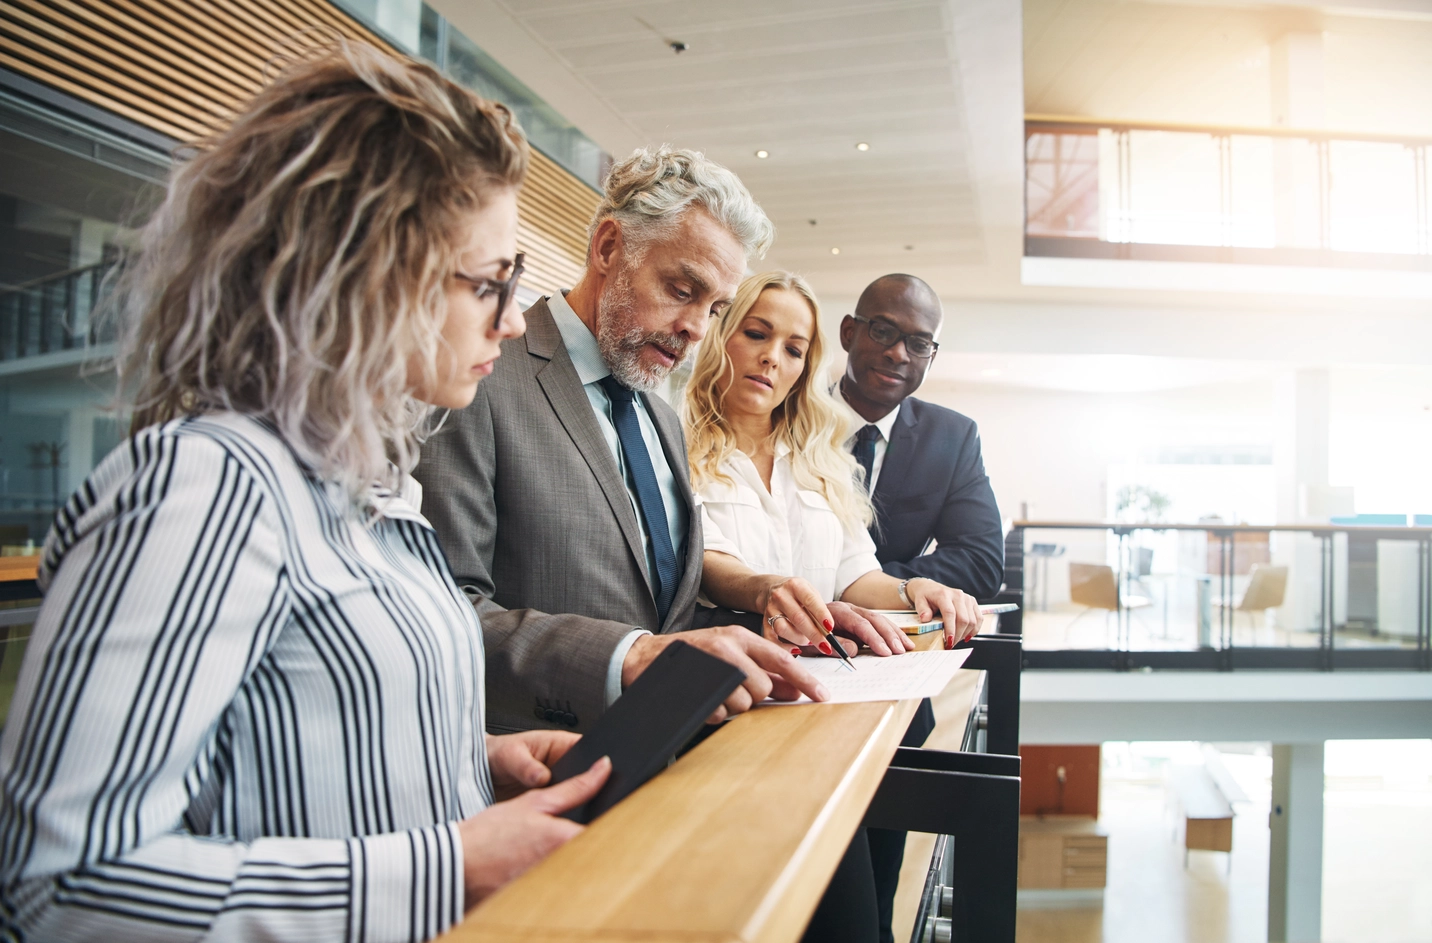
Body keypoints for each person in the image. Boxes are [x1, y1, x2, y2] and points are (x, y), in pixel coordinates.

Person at [0, 43, 612, 942]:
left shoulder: (364, 484)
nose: (515, 319)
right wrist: (447, 865)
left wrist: (470, 762)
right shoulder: (205, 486)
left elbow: (285, 733)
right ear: (364, 275)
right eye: (491, 282)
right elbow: (60, 882)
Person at [414, 147, 857, 733]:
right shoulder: (481, 377)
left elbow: (663, 611)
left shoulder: (659, 412)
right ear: (607, 248)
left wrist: (775, 625)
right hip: (536, 776)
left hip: (665, 765)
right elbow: (440, 613)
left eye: (715, 308)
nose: (696, 331)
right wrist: (628, 658)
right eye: (681, 290)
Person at [681, 272, 982, 943]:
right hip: (742, 717)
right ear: (720, 336)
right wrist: (762, 588)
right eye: (755, 335)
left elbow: (856, 574)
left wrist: (912, 591)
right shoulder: (677, 445)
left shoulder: (817, 453)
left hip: (835, 713)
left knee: (861, 911)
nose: (771, 358)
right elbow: (699, 561)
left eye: (792, 347)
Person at [837, 273, 1004, 943]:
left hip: (894, 689)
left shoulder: (951, 437)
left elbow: (980, 560)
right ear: (849, 332)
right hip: (783, 680)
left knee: (874, 895)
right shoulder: (787, 412)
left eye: (920, 343)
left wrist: (864, 583)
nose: (899, 354)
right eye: (883, 331)